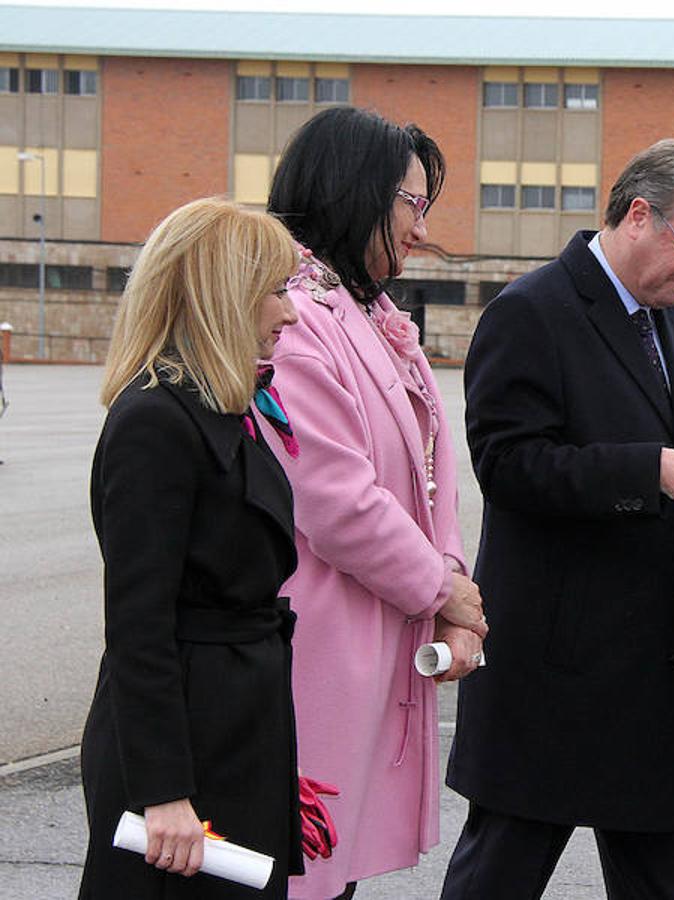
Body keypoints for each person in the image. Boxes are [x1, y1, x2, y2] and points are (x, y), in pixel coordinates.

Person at [442, 139, 674, 900]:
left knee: (662, 880)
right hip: (555, 667)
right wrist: (647, 469)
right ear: (638, 216)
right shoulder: (531, 311)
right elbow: (509, 466)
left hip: (658, 665)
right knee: (501, 871)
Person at [264, 106, 486, 900]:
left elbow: (432, 478)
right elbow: (337, 502)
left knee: (336, 866)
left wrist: (450, 580)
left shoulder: (371, 313)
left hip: (379, 629)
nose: (422, 230)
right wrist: (443, 590)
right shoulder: (288, 316)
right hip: (320, 640)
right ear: (354, 191)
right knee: (302, 869)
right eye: (412, 204)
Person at [80, 197, 302, 898]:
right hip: (185, 752)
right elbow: (138, 626)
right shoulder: (156, 420)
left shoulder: (219, 407)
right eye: (276, 290)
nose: (289, 314)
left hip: (235, 733)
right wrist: (163, 791)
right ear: (223, 294)